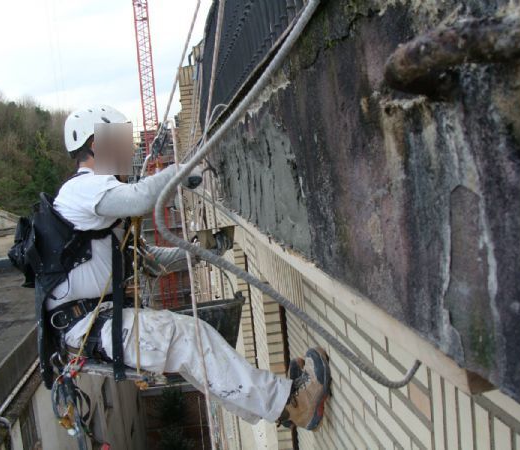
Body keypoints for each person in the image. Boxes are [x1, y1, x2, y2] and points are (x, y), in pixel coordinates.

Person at [43, 105, 331, 430]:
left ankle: (282, 407)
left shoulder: (95, 209)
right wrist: (180, 170)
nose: (127, 150)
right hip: (91, 327)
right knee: (191, 338)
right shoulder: (81, 188)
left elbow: (144, 258)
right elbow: (139, 199)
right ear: (94, 144)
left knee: (194, 347)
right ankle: (292, 403)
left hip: (95, 326)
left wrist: (199, 252)